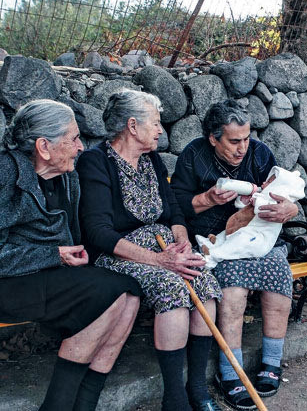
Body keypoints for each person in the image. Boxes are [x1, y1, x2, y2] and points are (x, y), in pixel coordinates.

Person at [0, 100, 143, 411]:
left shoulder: (64, 174)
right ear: (44, 146)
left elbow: (73, 231)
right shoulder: (3, 175)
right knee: (110, 293)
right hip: (6, 285)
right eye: (73, 138)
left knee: (131, 293)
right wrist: (52, 255)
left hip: (49, 276)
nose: (81, 147)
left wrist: (70, 253)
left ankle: (85, 404)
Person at [76, 90, 222, 411]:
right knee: (170, 286)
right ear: (132, 126)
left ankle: (197, 389)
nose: (160, 130)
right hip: (119, 254)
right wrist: (160, 260)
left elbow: (173, 213)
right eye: (155, 123)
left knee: (203, 281)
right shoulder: (95, 162)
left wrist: (181, 244)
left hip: (162, 247)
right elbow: (98, 232)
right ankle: (175, 399)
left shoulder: (151, 160)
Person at [171, 100, 299, 410]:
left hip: (257, 237)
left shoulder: (259, 153)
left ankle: (271, 362)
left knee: (278, 276)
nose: (242, 147)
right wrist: (208, 198)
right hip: (215, 243)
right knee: (233, 287)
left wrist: (288, 209)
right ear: (214, 138)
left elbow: (286, 191)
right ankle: (231, 373)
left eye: (246, 138)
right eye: (233, 141)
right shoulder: (194, 155)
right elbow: (175, 205)